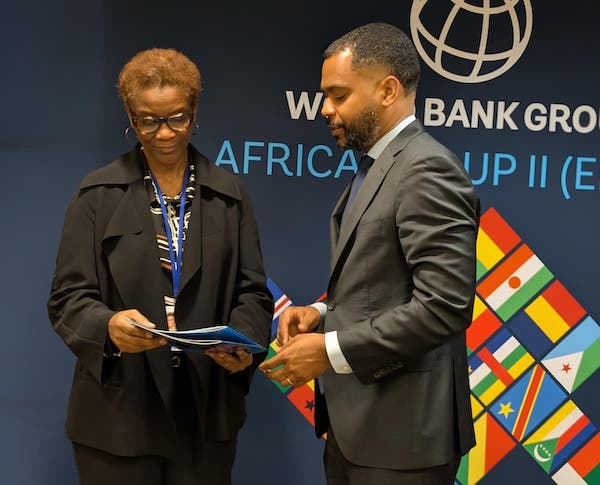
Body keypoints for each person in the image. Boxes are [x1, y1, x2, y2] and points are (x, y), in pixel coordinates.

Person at [259, 22, 479, 484]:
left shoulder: (427, 168)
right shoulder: (380, 165)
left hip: (403, 441)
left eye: (339, 95)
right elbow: (383, 284)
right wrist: (322, 314)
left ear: (388, 90)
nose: (326, 109)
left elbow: (444, 306)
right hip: (357, 429)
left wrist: (330, 350)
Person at [48, 48, 273, 485]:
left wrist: (242, 345)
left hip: (204, 411)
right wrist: (107, 327)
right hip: (119, 414)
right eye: (148, 120)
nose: (165, 133)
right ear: (131, 120)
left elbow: (253, 291)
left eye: (177, 118)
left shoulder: (229, 194)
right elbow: (67, 298)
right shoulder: (97, 193)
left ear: (194, 113)